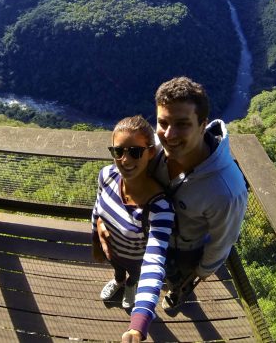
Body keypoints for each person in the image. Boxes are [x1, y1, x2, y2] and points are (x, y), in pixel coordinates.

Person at [98, 77, 248, 320]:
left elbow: (222, 241)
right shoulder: (153, 148)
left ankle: (179, 291)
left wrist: (199, 272)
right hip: (150, 238)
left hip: (186, 251)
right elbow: (122, 177)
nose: (169, 134)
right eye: (163, 122)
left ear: (203, 124)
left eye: (182, 124)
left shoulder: (227, 189)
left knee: (175, 281)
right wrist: (102, 221)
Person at [92, 115, 175, 342]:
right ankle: (120, 281)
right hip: (115, 252)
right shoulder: (107, 175)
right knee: (118, 272)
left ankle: (131, 289)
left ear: (150, 152)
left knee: (136, 277)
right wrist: (97, 233)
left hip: (139, 260)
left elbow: (154, 263)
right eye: (118, 151)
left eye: (135, 152)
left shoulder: (160, 207)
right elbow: (98, 206)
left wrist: (138, 325)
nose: (125, 160)